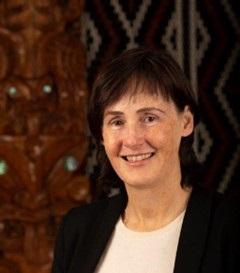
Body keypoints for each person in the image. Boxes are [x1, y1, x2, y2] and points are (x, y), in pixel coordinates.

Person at [52, 47, 240, 273]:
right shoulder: (77, 230)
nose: (132, 139)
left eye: (149, 118)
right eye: (117, 122)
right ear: (101, 135)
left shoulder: (230, 228)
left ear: (186, 122)